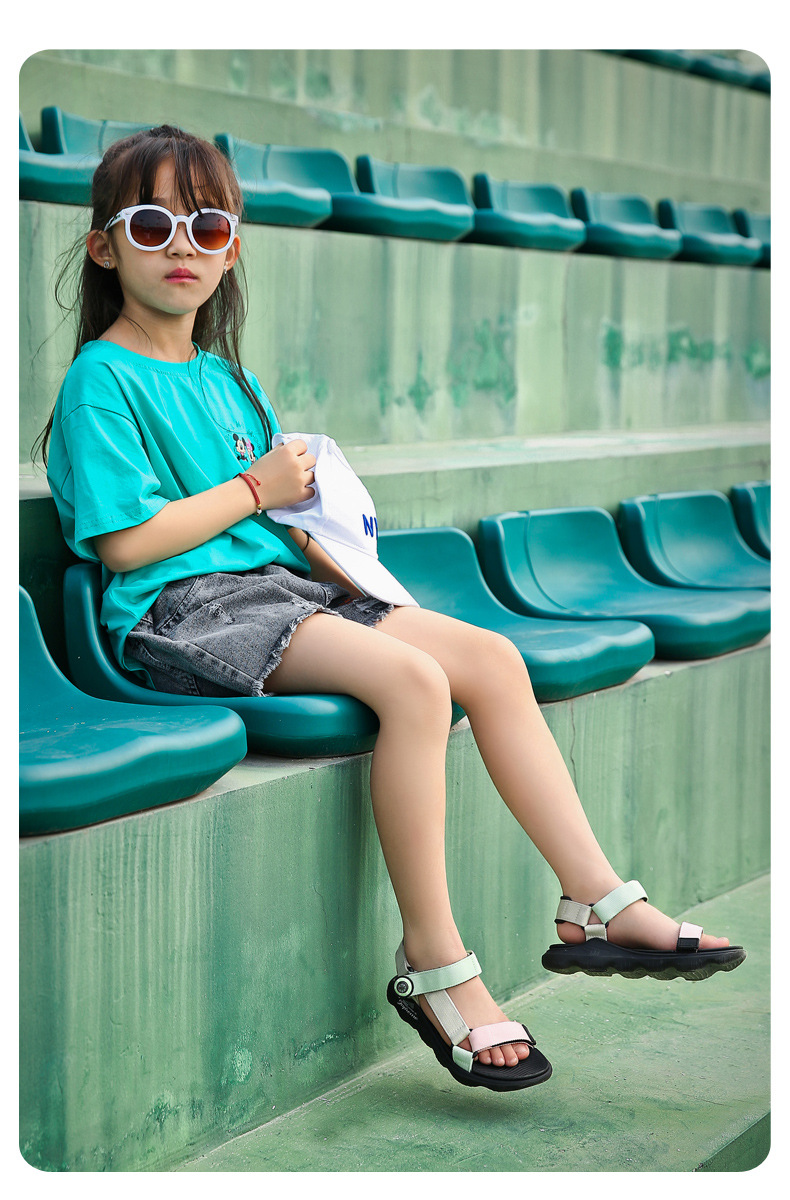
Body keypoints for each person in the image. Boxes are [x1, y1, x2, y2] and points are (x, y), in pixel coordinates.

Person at [39, 125, 744, 1094]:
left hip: (280, 587)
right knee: (414, 684)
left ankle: (595, 899)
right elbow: (124, 546)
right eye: (153, 223)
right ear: (105, 246)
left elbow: (272, 514)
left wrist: (318, 527)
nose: (182, 248)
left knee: (491, 658)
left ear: (233, 246)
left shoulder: (225, 377)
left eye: (208, 226)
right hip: (181, 610)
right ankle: (437, 964)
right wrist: (255, 490)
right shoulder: (101, 381)